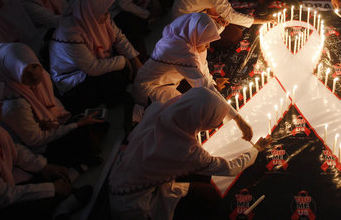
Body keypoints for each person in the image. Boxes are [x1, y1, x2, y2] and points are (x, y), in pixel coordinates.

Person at [109, 87, 268, 220]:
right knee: (210, 195)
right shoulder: (184, 149)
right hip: (135, 204)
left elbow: (206, 97)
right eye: (212, 122)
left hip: (118, 176)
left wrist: (238, 119)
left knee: (199, 177)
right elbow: (230, 168)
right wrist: (255, 149)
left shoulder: (162, 109)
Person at [0, 80, 86, 220]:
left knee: (46, 169)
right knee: (38, 200)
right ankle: (60, 207)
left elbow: (14, 150)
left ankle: (61, 194)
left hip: (10, 179)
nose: (1, 104)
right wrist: (51, 188)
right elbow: (3, 196)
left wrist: (44, 166)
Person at [0, 42, 104, 164]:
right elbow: (35, 141)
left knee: (86, 102)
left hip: (52, 125)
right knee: (83, 136)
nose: (34, 75)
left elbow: (54, 105)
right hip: (39, 147)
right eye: (25, 73)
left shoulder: (41, 77)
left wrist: (55, 122)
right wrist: (76, 124)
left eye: (34, 66)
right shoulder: (15, 104)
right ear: (13, 73)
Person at [49, 0, 141, 114]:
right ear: (89, 12)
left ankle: (130, 76)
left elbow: (119, 37)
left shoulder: (96, 16)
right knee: (112, 78)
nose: (108, 15)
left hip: (97, 61)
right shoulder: (70, 34)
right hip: (76, 77)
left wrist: (133, 59)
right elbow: (92, 68)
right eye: (104, 13)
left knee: (133, 41)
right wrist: (123, 60)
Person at [132, 13, 223, 116]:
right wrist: (233, 116)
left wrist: (214, 85)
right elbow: (201, 84)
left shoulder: (194, 41)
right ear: (196, 36)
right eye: (205, 42)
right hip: (151, 87)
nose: (208, 46)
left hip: (171, 83)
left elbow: (203, 70)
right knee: (183, 114)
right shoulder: (178, 49)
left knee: (200, 101)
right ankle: (138, 112)